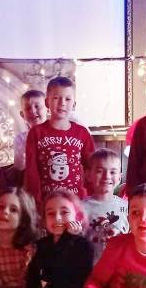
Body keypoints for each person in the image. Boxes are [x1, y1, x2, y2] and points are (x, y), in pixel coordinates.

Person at [24, 76, 95, 204]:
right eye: (56, 98)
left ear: (74, 104)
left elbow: (92, 168)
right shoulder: (36, 133)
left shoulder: (82, 133)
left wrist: (90, 199)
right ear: (47, 102)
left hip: (76, 203)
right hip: (47, 202)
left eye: (68, 99)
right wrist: (36, 203)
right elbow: (31, 172)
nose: (62, 103)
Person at [82, 148, 129, 263]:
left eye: (112, 172)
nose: (107, 176)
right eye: (99, 171)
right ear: (88, 175)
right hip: (90, 267)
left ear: (119, 177)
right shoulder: (80, 207)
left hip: (119, 267)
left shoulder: (127, 207)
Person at [9, 89, 49, 184]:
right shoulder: (21, 138)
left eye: (37, 106)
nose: (33, 111)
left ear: (48, 109)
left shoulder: (56, 132)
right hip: (32, 179)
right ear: (22, 114)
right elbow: (19, 167)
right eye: (28, 108)